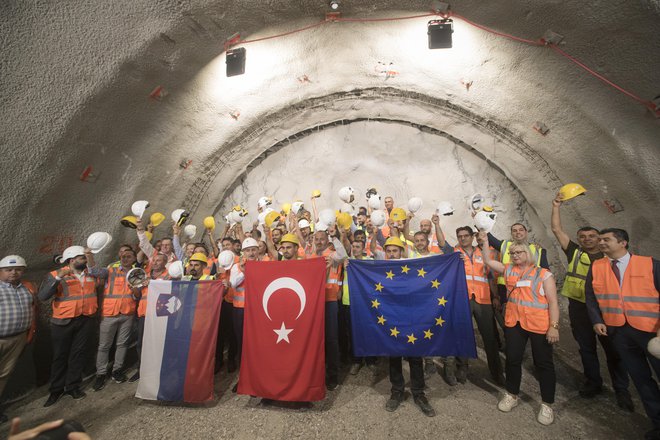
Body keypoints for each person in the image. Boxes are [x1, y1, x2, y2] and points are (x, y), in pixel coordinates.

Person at [551, 195, 632, 409]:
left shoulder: (609, 259)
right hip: (579, 307)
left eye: (592, 236)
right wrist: (556, 207)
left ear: (600, 239)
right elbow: (557, 230)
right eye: (583, 236)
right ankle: (593, 382)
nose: (587, 239)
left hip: (606, 309)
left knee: (613, 351)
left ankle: (621, 390)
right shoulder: (575, 252)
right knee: (586, 348)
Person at [585, 228, 660, 440]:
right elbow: (590, 297)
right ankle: (658, 423)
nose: (601, 243)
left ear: (623, 243)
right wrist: (597, 320)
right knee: (642, 380)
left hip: (651, 332)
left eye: (606, 240)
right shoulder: (597, 266)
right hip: (619, 332)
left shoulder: (650, 264)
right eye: (600, 240)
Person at [480, 232, 560, 425]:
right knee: (513, 360)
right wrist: (483, 243)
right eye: (513, 253)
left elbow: (553, 303)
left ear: (529, 254)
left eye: (519, 252)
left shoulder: (543, 274)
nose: (515, 255)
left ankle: (547, 404)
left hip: (539, 325)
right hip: (515, 323)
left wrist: (554, 327)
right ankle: (512, 394)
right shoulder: (509, 270)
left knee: (543, 364)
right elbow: (488, 262)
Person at [371, 234, 436, 417]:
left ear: (401, 251)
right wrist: (349, 265)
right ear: (385, 253)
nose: (392, 254)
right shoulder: (379, 270)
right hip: (391, 318)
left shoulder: (412, 268)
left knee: (415, 355)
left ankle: (419, 393)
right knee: (394, 355)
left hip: (411, 318)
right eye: (389, 251)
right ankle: (397, 391)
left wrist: (455, 259)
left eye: (395, 251)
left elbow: (432, 267)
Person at [38, 246, 102, 407]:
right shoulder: (56, 274)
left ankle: (73, 386)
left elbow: (99, 282)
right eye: (82, 257)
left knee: (78, 354)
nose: (85, 260)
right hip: (63, 321)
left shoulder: (90, 275)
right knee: (60, 356)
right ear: (72, 260)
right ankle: (56, 389)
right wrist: (58, 278)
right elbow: (43, 296)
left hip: (85, 319)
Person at [450, 227, 504, 386]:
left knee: (490, 338)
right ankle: (462, 368)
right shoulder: (454, 254)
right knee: (462, 335)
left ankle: (497, 372)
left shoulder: (483, 253)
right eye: (460, 236)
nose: (463, 239)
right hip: (462, 299)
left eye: (466, 235)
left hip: (483, 299)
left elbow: (490, 275)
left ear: (472, 237)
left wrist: (495, 296)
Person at [89, 249, 138, 390]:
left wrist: (134, 288)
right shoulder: (110, 271)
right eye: (122, 256)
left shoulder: (137, 273)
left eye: (129, 256)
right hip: (109, 314)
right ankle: (101, 374)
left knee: (122, 344)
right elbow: (93, 271)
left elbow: (137, 295)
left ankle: (117, 370)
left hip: (127, 313)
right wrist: (89, 255)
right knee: (104, 346)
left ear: (134, 258)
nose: (125, 258)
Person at [0, 255, 36, 424]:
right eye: (8, 270)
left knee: (4, 375)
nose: (13, 273)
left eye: (18, 269)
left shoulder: (26, 288)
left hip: (18, 338)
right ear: (1, 271)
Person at [313, 227, 348, 391]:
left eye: (322, 239)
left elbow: (343, 255)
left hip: (329, 301)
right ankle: (318, 372)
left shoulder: (333, 255)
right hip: (313, 303)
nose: (319, 242)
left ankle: (333, 375)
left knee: (331, 339)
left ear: (326, 240)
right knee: (316, 340)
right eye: (316, 239)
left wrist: (334, 237)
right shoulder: (311, 256)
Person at [129, 253, 170, 383]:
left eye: (159, 260)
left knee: (158, 343)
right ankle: (142, 369)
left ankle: (158, 369)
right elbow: (137, 295)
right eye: (154, 260)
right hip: (144, 313)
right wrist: (135, 287)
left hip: (160, 315)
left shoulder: (170, 276)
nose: (156, 262)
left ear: (165, 262)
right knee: (141, 343)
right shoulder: (143, 275)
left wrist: (153, 284)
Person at [342, 240, 377, 377]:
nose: (355, 249)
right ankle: (356, 361)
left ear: (363, 248)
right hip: (349, 302)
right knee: (352, 333)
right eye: (353, 247)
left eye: (358, 247)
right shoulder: (347, 262)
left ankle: (370, 360)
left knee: (368, 332)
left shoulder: (369, 261)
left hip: (366, 303)